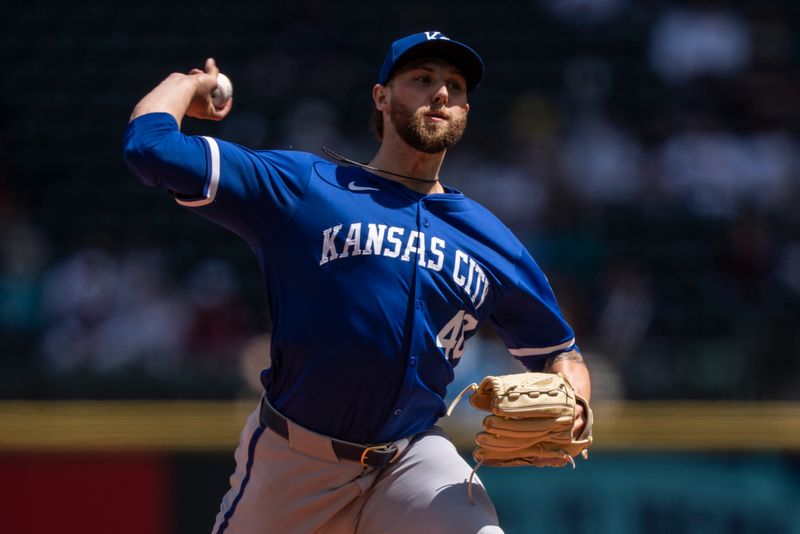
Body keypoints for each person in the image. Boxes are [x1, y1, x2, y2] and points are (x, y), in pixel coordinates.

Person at [124, 31, 591, 534]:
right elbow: (150, 147)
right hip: (297, 462)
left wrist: (577, 401)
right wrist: (184, 85)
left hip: (412, 461)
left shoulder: (491, 239)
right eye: (422, 79)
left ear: (466, 111)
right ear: (381, 97)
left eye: (455, 86)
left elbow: (560, 352)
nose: (441, 94)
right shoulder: (304, 187)